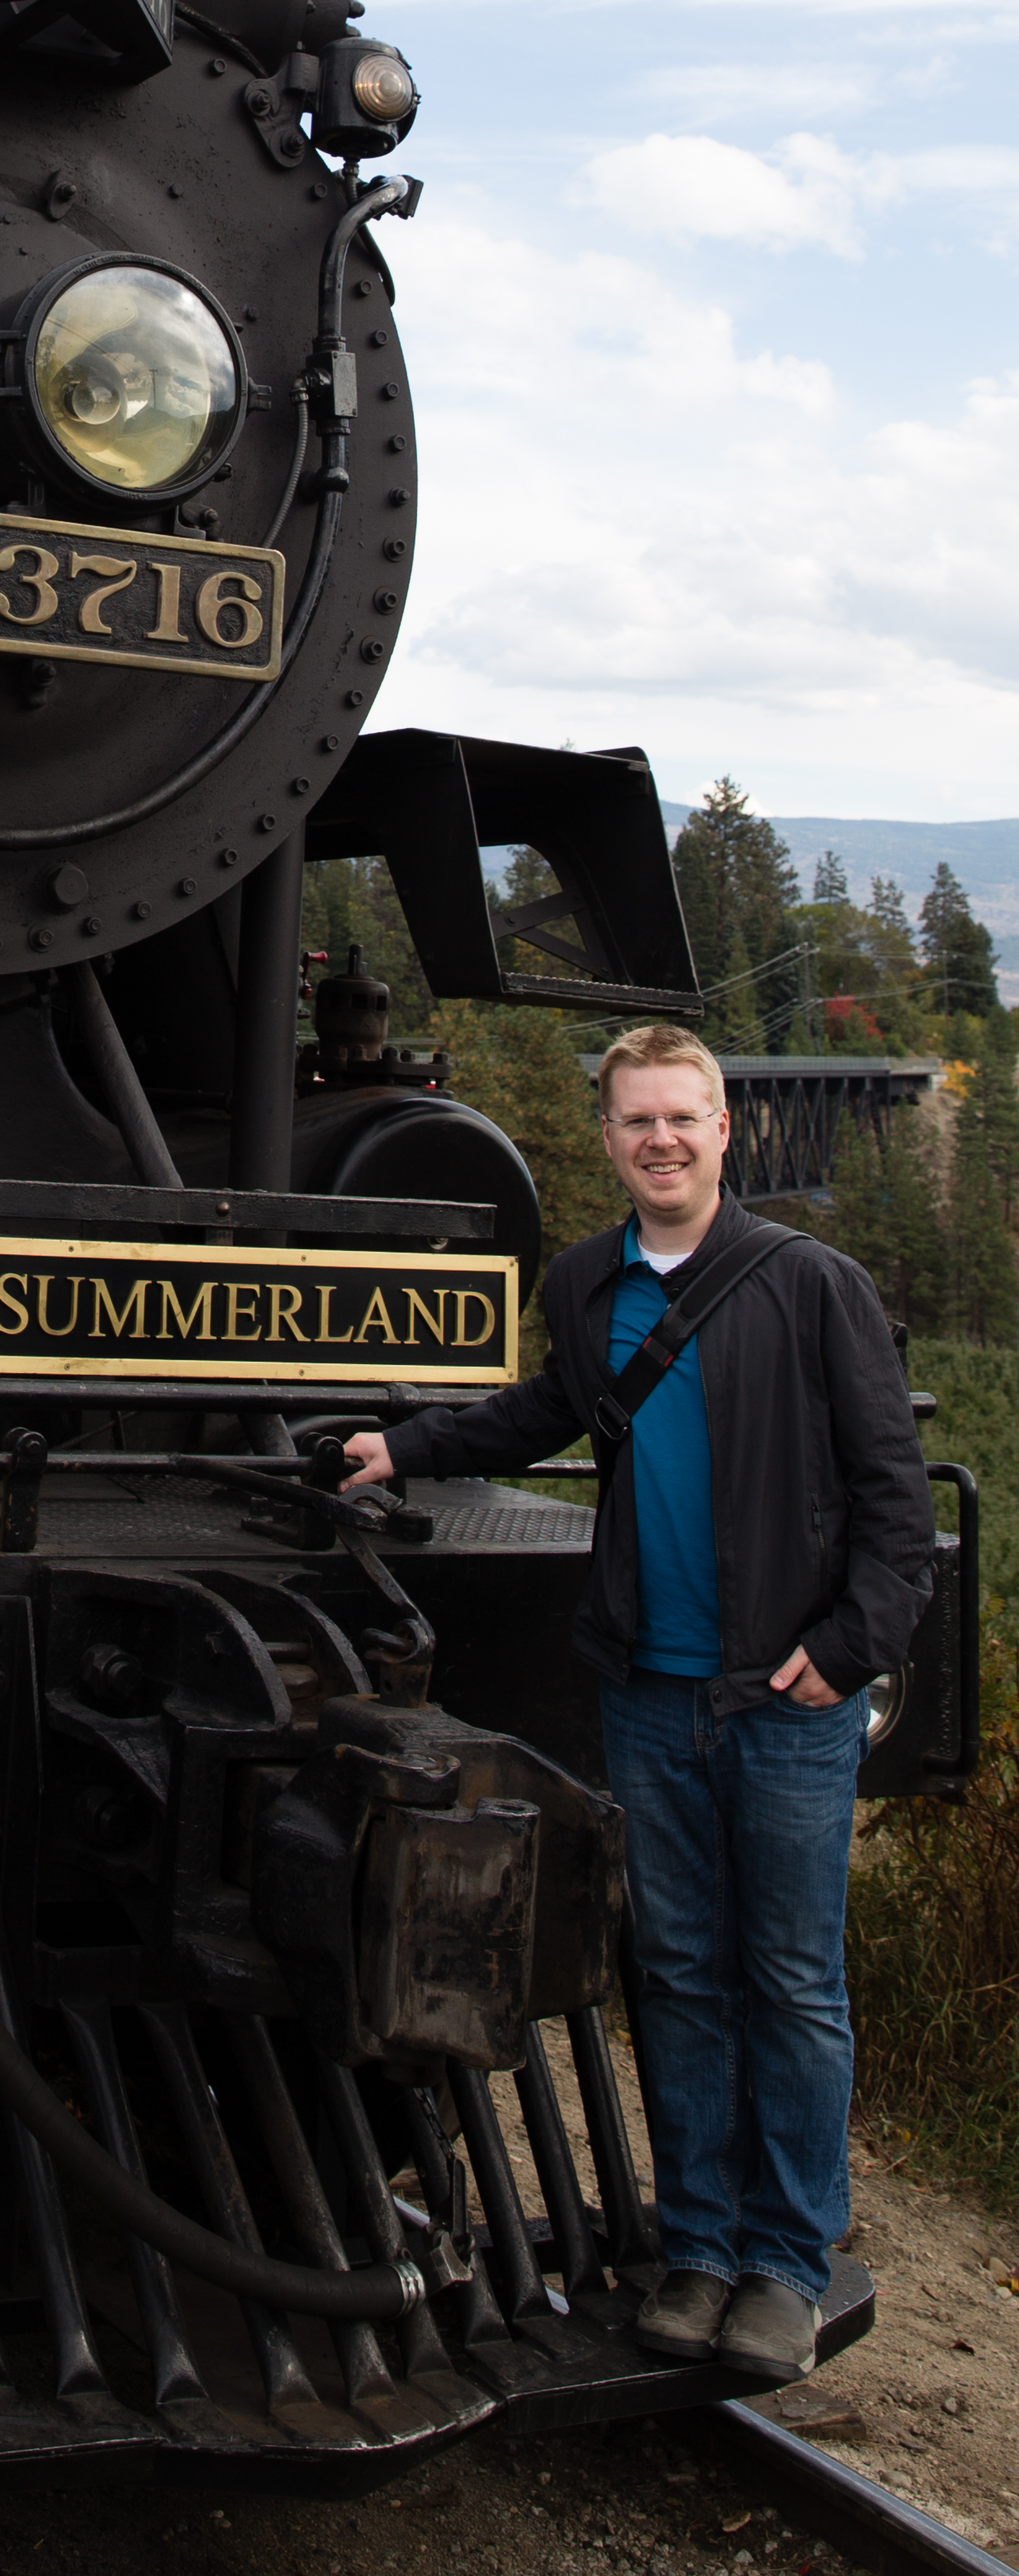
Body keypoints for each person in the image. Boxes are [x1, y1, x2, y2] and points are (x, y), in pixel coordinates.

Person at [341, 1020, 933, 2387]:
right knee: (675, 1976)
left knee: (787, 1981)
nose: (660, 1141)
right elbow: (550, 1410)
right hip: (650, 1695)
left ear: (725, 1132)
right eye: (635, 1121)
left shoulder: (811, 1285)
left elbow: (894, 1500)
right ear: (608, 1139)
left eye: (683, 1118)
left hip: (783, 1698)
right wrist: (408, 1445)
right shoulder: (591, 1279)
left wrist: (847, 1652)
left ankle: (788, 2261)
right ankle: (702, 2247)